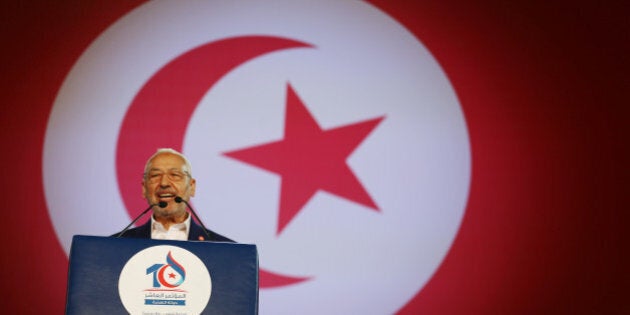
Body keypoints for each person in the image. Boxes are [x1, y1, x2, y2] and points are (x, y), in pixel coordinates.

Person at [114, 148, 233, 242]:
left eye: (175, 175)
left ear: (192, 187)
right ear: (144, 188)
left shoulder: (226, 250)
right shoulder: (116, 245)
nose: (164, 183)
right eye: (155, 176)